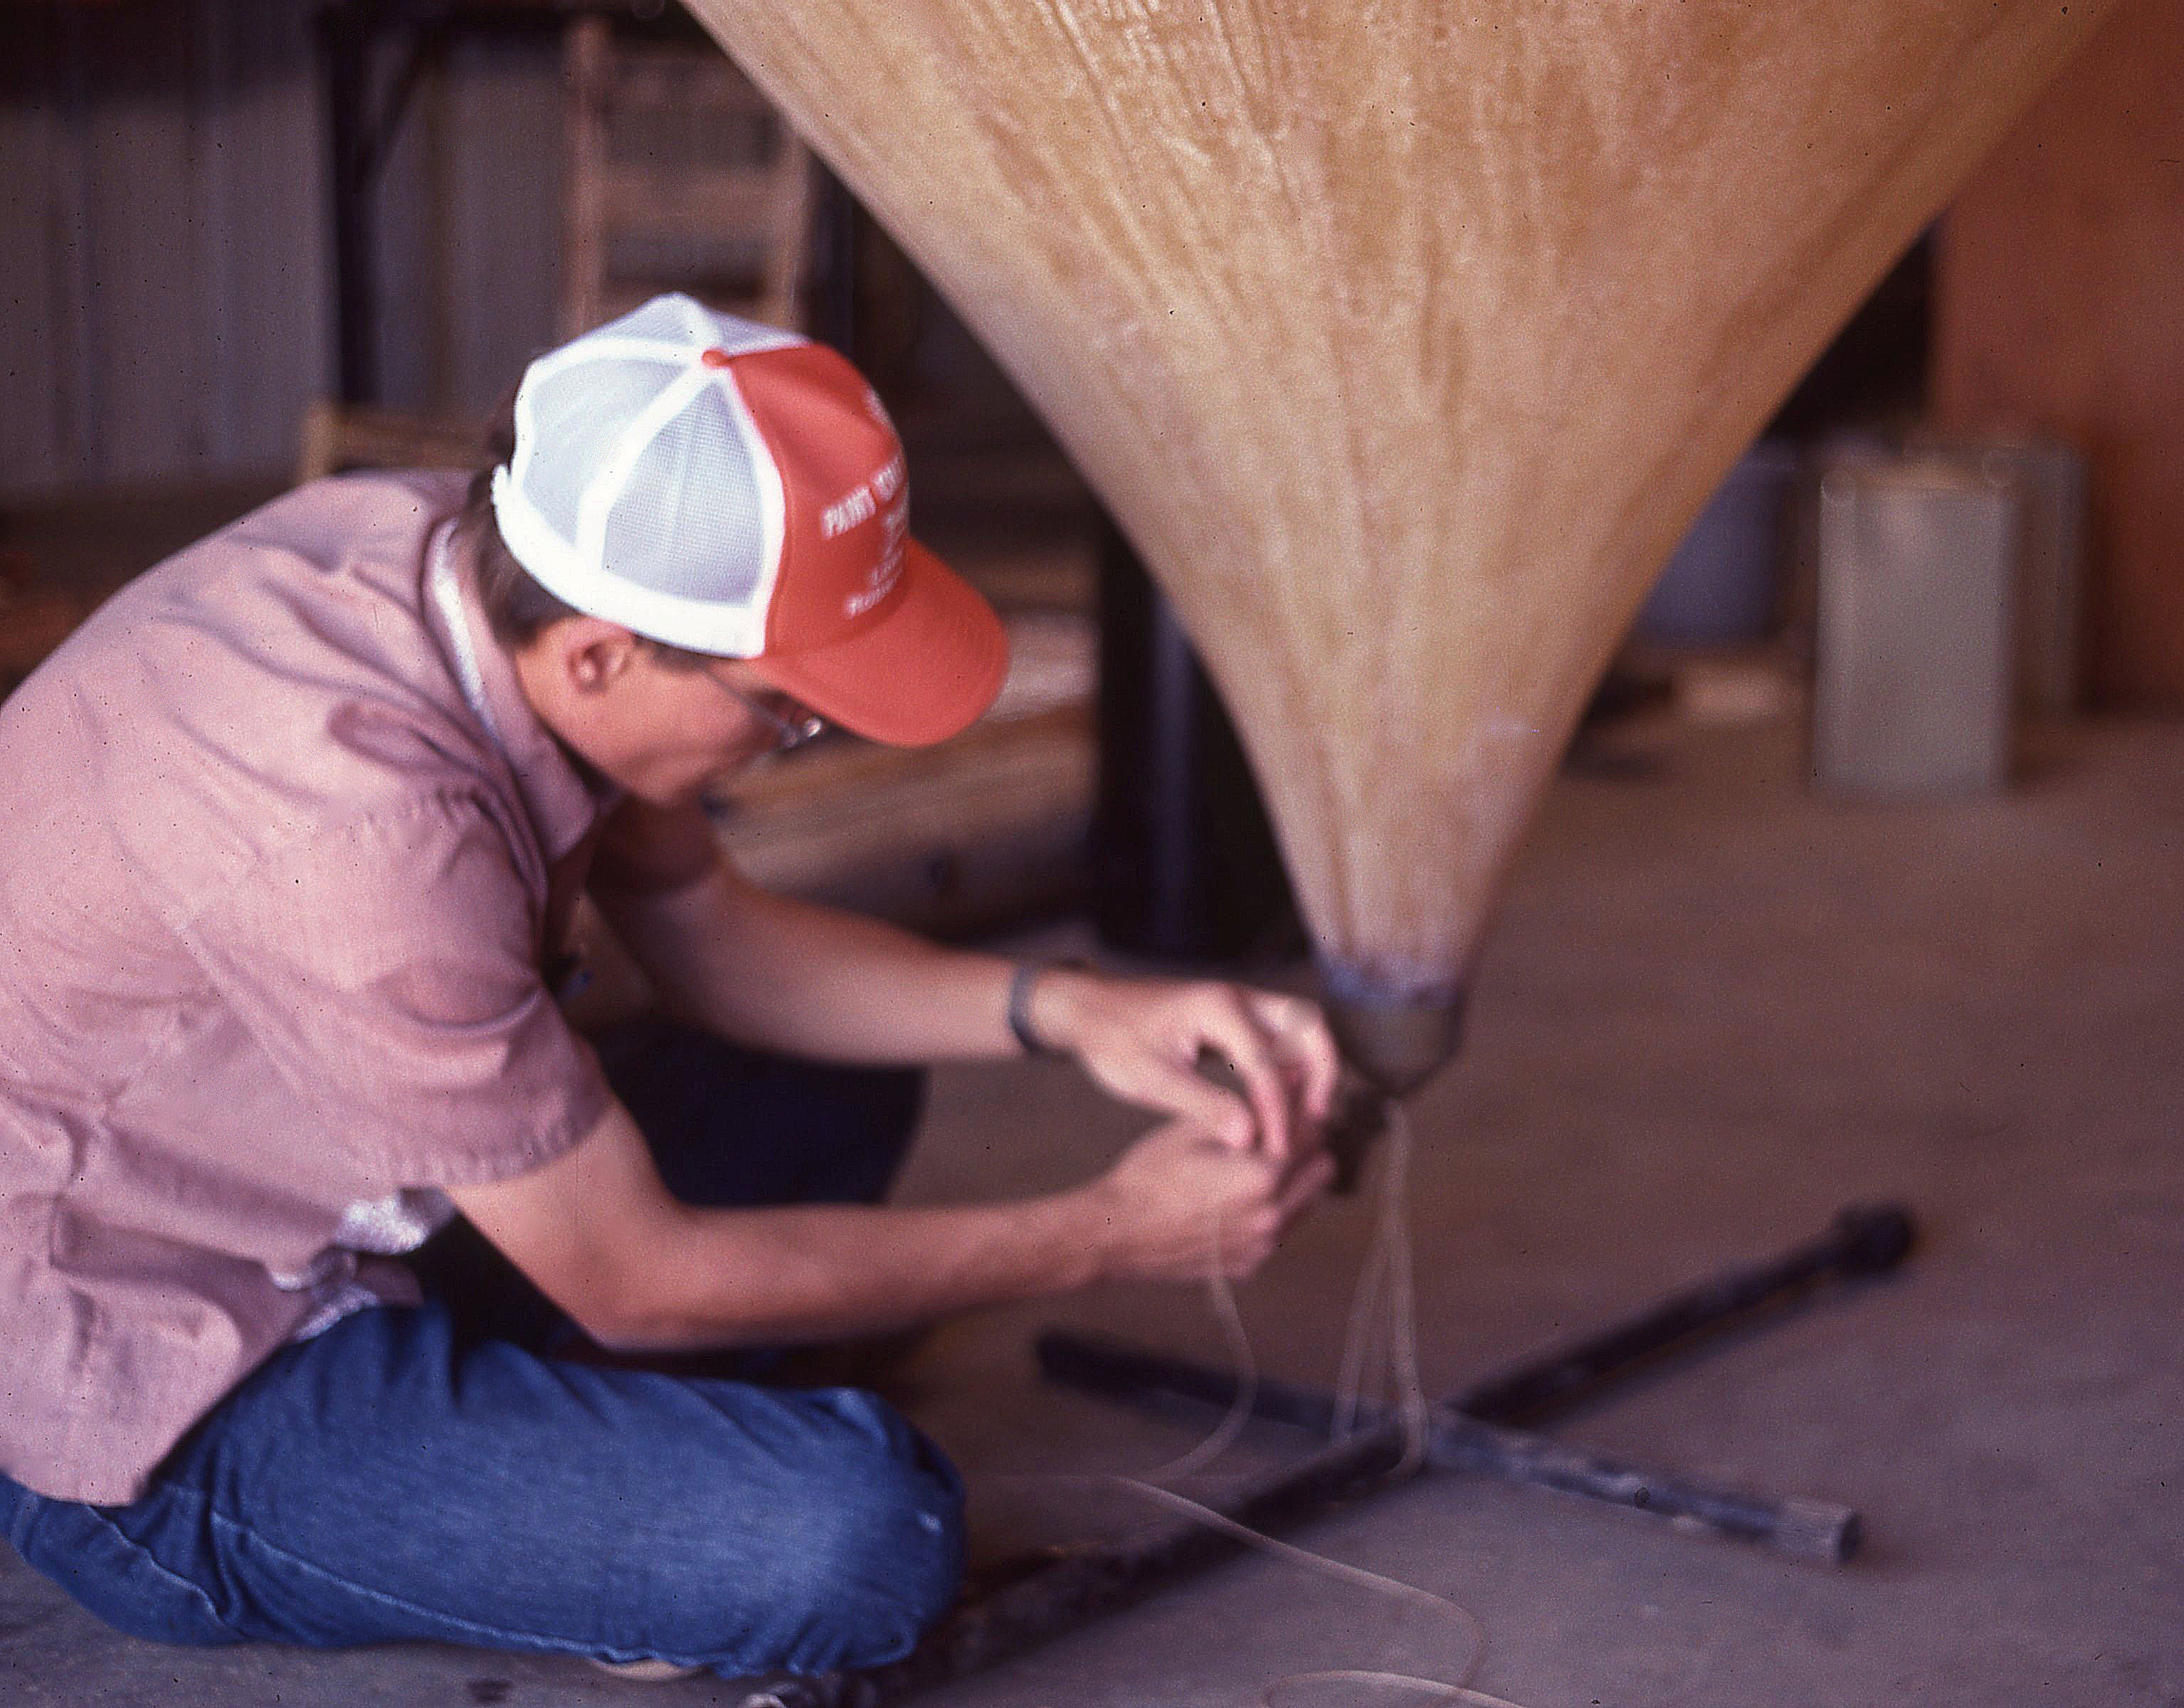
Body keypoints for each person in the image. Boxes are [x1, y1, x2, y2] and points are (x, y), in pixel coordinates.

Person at [0, 295, 1340, 1680]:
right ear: (601, 654)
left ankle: (559, 1467)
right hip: (160, 1380)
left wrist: (1075, 1010)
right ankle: (549, 1492)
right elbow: (638, 1282)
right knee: (860, 1537)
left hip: (340, 1191)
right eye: (785, 709)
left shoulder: (478, 549)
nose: (800, 734)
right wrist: (1108, 1233)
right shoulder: (367, 838)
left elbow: (709, 934)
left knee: (829, 1076)